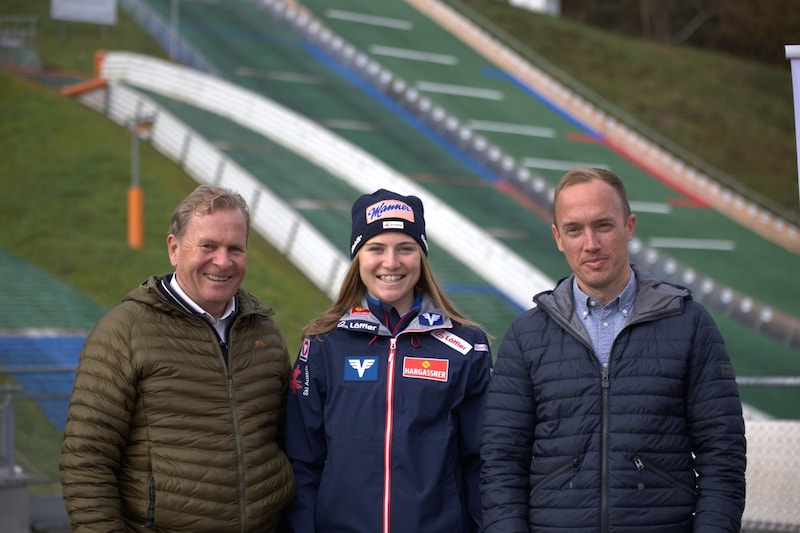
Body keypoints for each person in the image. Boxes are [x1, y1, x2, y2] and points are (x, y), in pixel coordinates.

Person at [480, 168, 746, 532]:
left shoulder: (689, 324)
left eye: (603, 225)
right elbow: (501, 463)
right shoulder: (527, 336)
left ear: (629, 227)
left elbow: (723, 455)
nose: (590, 243)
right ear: (558, 237)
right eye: (574, 229)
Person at [59, 184, 295, 532]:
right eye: (208, 246)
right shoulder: (124, 332)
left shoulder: (265, 332)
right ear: (174, 248)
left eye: (235, 248)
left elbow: (282, 443)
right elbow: (86, 461)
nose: (223, 261)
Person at [283, 188, 493, 532]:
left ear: (421, 257)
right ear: (358, 257)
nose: (391, 263)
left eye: (406, 248)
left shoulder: (466, 347)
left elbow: (483, 463)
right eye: (376, 248)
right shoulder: (323, 344)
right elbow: (301, 462)